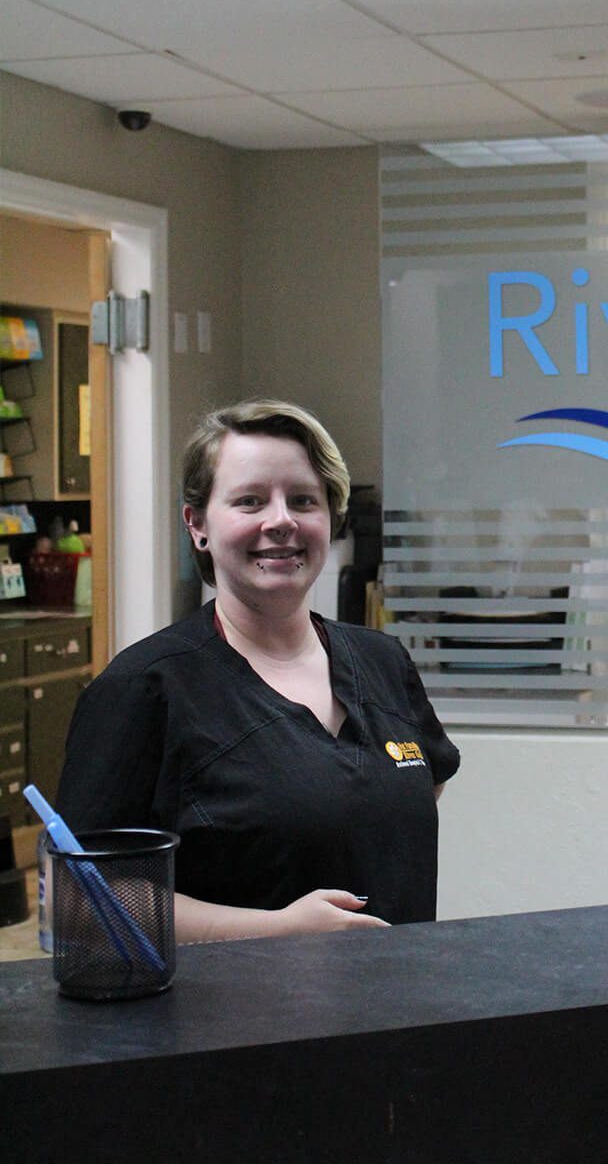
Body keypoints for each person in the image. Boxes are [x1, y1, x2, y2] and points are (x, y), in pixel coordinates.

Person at [56, 398, 459, 942]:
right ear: (197, 524)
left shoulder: (382, 661)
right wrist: (275, 929)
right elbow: (80, 898)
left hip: (400, 1010)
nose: (282, 521)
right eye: (249, 501)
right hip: (235, 1021)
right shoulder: (145, 688)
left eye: (303, 500)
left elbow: (415, 789)